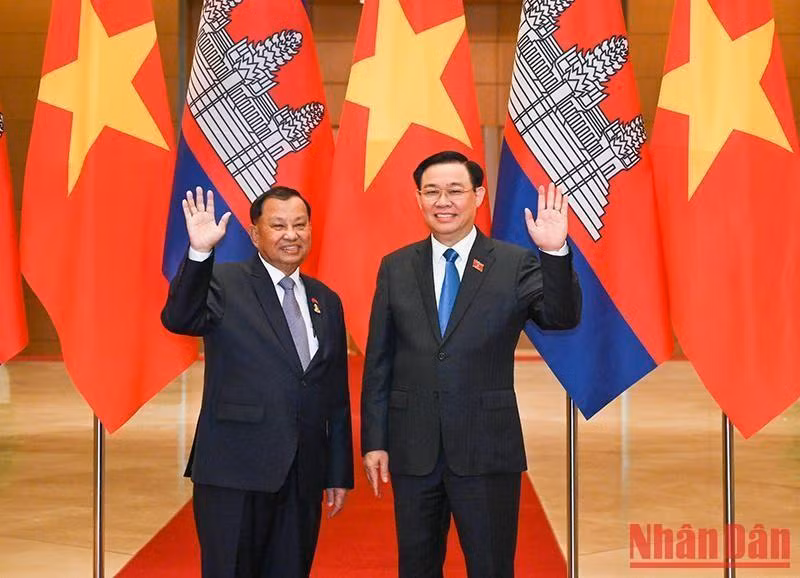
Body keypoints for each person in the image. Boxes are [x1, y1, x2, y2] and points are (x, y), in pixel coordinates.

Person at [361, 151, 581, 577]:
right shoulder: (396, 266)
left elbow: (561, 317)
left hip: (486, 448)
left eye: (455, 191)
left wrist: (554, 252)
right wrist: (375, 439)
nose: (443, 201)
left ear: (478, 195)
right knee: (417, 567)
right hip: (413, 449)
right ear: (418, 199)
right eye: (432, 192)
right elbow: (379, 360)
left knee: (491, 566)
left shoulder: (514, 263)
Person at [162, 185, 354, 578]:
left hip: (302, 474)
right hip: (235, 469)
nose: (291, 234)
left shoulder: (326, 299)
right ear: (255, 234)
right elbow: (179, 318)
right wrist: (199, 253)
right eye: (279, 225)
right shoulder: (223, 282)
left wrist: (336, 473)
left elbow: (334, 394)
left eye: (300, 225)